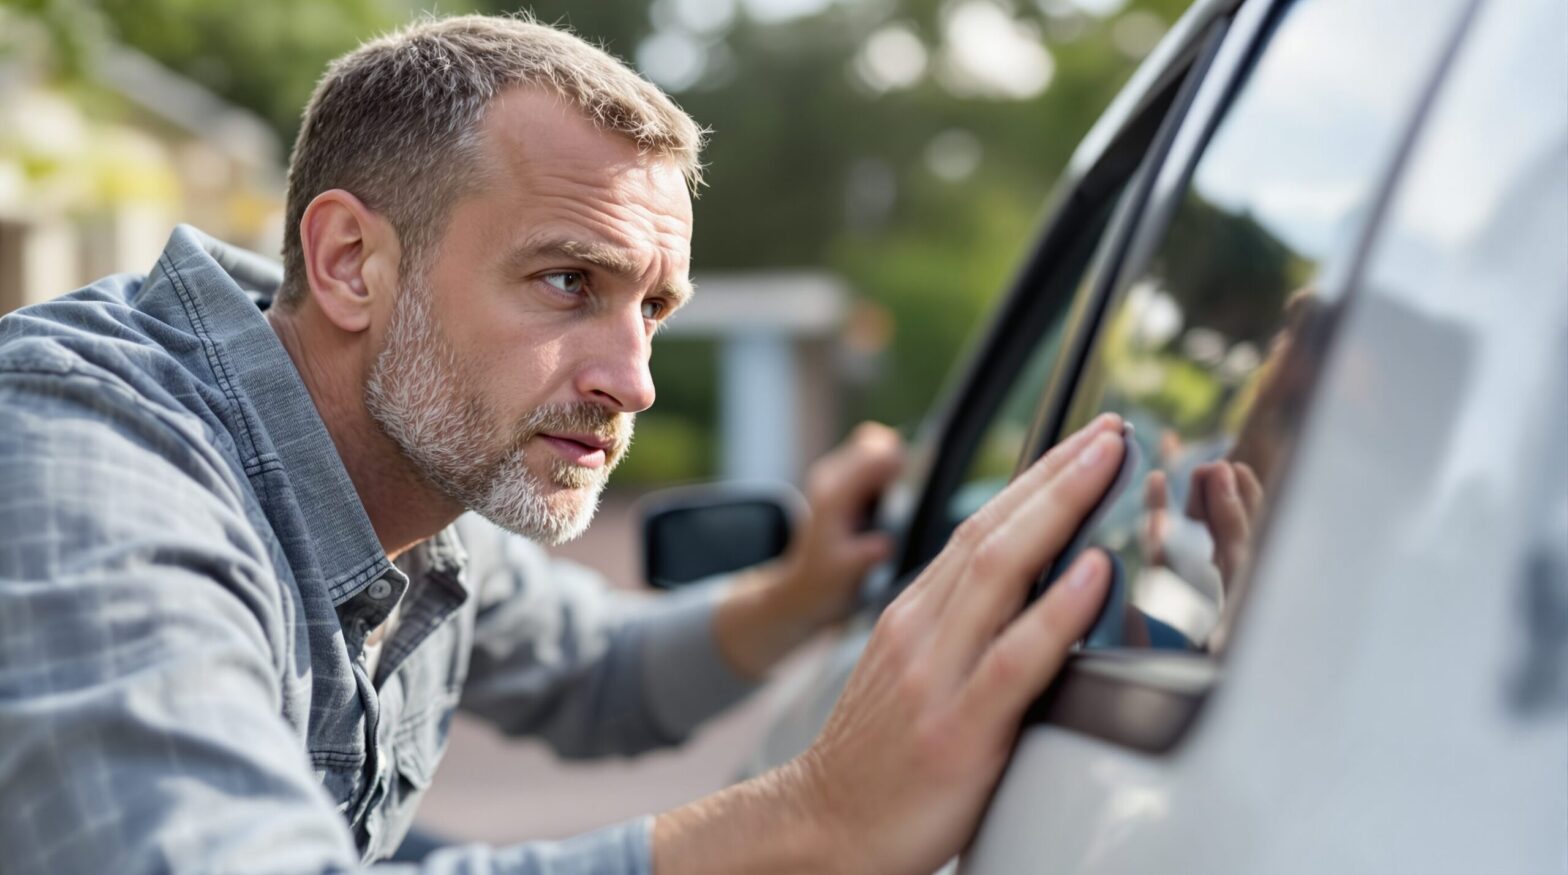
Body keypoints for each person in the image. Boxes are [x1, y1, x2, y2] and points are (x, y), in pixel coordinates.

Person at [0, 14, 1126, 874]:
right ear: (351, 261)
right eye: (565, 281)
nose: (629, 379)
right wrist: (818, 818)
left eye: (650, 309)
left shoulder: (411, 470)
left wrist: (802, 590)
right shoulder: (87, 462)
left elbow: (599, 676)